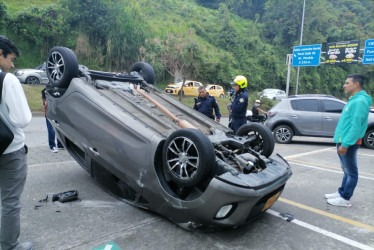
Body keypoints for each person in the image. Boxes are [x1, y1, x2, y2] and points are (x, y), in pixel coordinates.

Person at [0, 36, 33, 250]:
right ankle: (9, 246)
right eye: (10, 59)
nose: (12, 65)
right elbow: (23, 119)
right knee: (10, 201)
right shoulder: (7, 80)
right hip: (10, 151)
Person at [325, 74, 373, 207]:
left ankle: (345, 198)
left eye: (347, 83)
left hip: (349, 142)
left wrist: (345, 144)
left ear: (356, 84)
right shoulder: (354, 100)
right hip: (344, 140)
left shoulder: (359, 102)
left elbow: (356, 126)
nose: (344, 85)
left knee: (351, 171)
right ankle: (341, 192)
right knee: (346, 169)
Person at [42, 87, 63, 153]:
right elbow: (45, 103)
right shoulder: (46, 90)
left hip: (58, 113)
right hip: (50, 113)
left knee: (60, 129)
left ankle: (60, 144)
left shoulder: (60, 89)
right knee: (51, 130)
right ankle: (52, 146)